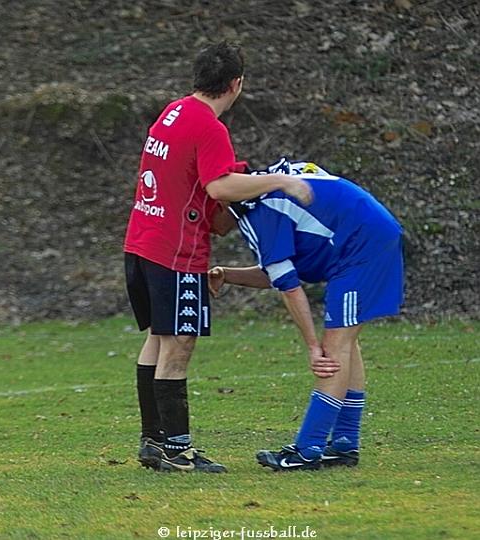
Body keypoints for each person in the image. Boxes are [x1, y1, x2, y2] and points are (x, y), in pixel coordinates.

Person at [123, 43, 312, 473]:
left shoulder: (173, 112)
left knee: (159, 338)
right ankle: (176, 449)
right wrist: (277, 182)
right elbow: (219, 187)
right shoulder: (209, 127)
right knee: (179, 343)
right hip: (175, 251)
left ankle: (153, 441)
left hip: (142, 240)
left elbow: (196, 189)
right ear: (236, 84)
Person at [209, 157, 404, 471]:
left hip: (360, 248)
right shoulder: (261, 194)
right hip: (367, 237)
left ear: (221, 203)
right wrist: (228, 274)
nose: (207, 231)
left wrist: (313, 346)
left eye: (202, 218)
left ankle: (308, 450)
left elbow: (289, 287)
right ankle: (344, 443)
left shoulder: (258, 213)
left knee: (332, 349)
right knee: (345, 343)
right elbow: (278, 272)